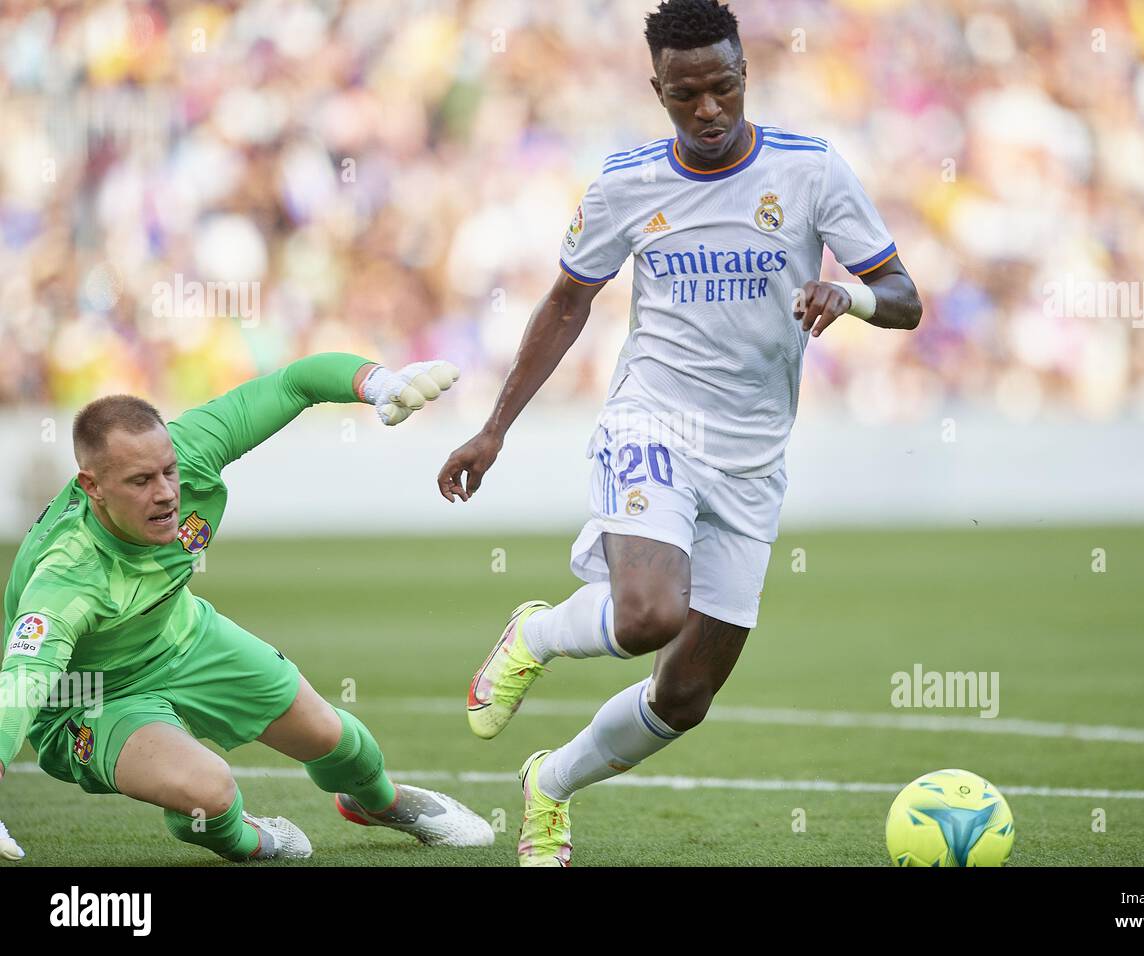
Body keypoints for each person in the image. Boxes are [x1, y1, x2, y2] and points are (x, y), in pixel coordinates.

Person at [437, 0, 922, 867]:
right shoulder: (627, 181)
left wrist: (845, 296)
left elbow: (906, 298)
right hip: (653, 418)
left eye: (722, 88)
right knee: (649, 614)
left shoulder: (811, 172)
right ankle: (537, 635)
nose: (707, 110)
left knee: (687, 696)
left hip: (754, 453)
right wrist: (494, 428)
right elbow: (567, 301)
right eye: (685, 94)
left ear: (747, 77)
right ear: (655, 87)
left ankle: (549, 787)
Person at [0, 353, 493, 862]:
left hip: (182, 637)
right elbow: (21, 680)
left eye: (168, 471)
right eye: (141, 482)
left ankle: (380, 802)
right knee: (209, 792)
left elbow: (295, 383)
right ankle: (247, 840)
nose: (168, 493)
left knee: (334, 738)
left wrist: (377, 383)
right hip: (91, 698)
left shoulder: (191, 450)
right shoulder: (64, 577)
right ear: (92, 488)